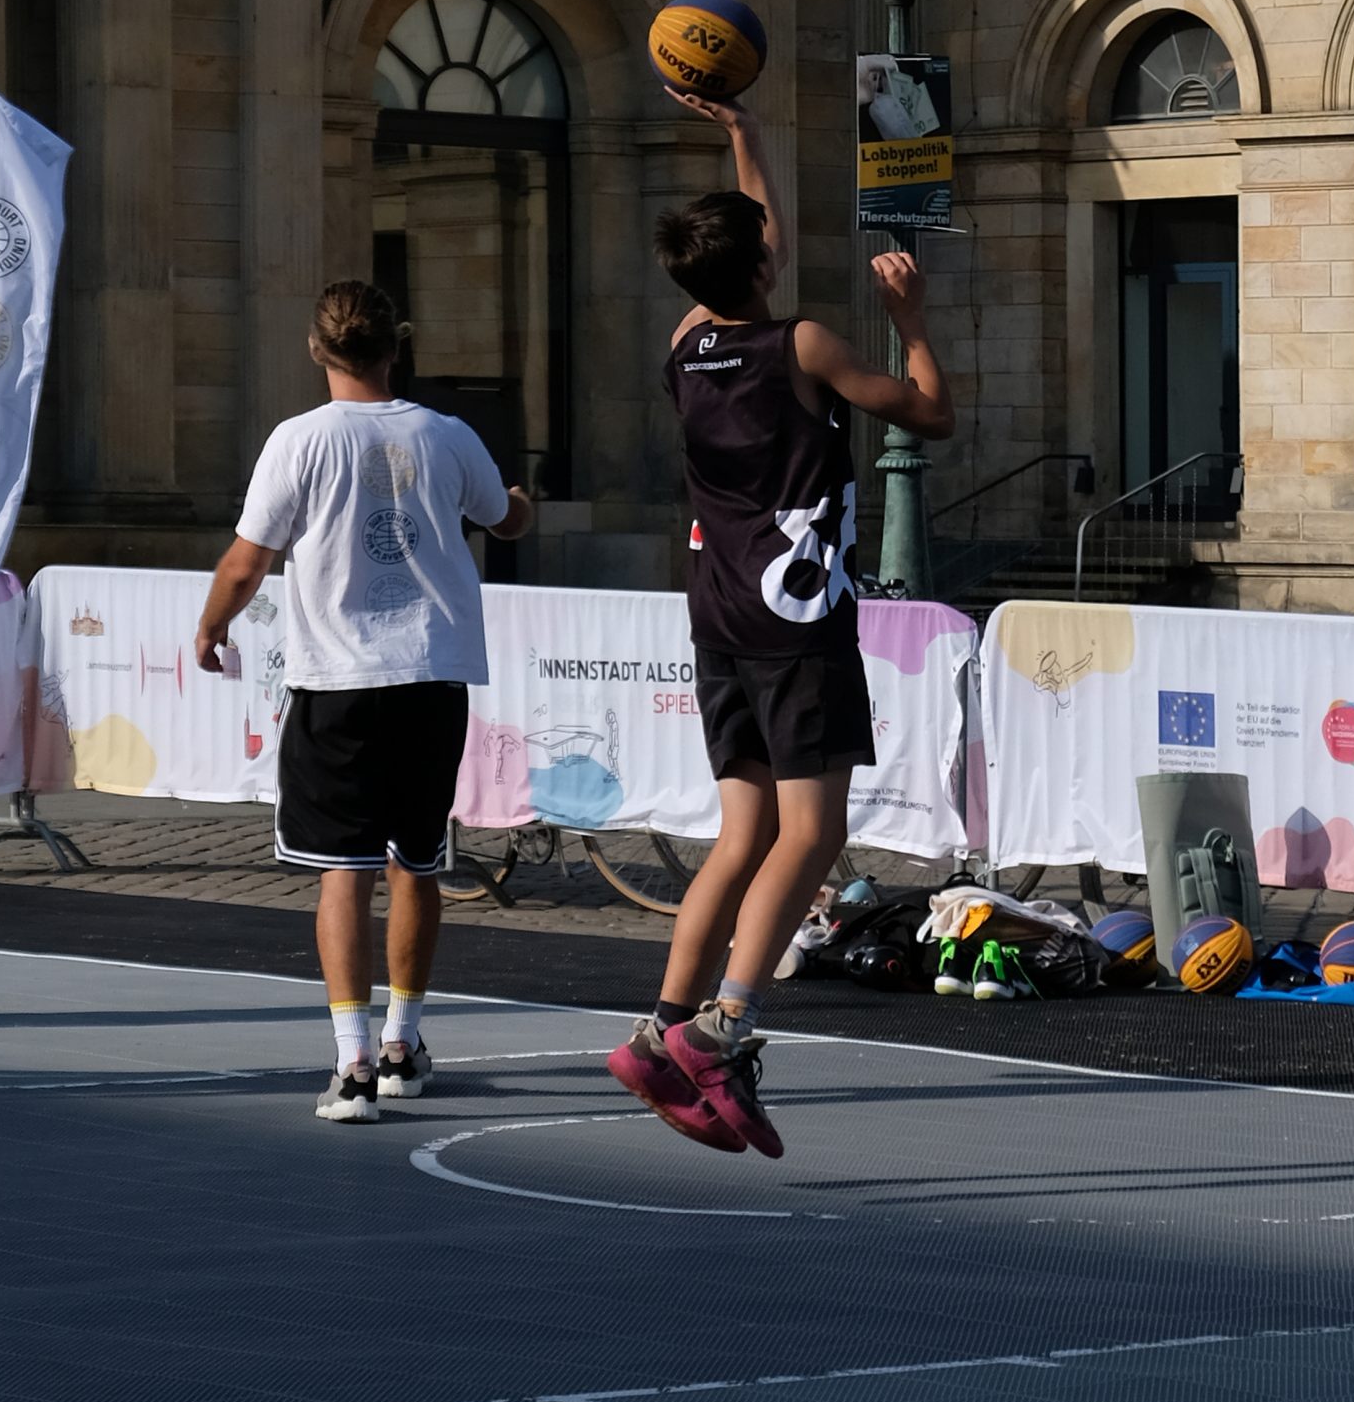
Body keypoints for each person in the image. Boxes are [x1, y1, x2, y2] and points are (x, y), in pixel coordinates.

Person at [606, 95, 954, 1158]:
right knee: (809, 833)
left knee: (742, 831)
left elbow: (753, 244)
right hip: (797, 621)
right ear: (760, 263)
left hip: (718, 616)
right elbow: (928, 412)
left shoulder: (686, 343)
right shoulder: (803, 344)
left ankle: (660, 1028)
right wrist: (910, 320)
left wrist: (744, 136)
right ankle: (722, 1027)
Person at [195, 279, 532, 1123]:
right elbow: (505, 519)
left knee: (342, 874)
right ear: (396, 346)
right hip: (429, 673)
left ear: (317, 349)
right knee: (415, 862)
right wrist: (519, 503)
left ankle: (351, 1065)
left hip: (337, 680)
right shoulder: (447, 434)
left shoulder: (298, 440)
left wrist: (211, 625)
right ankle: (400, 1045)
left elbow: (248, 559)